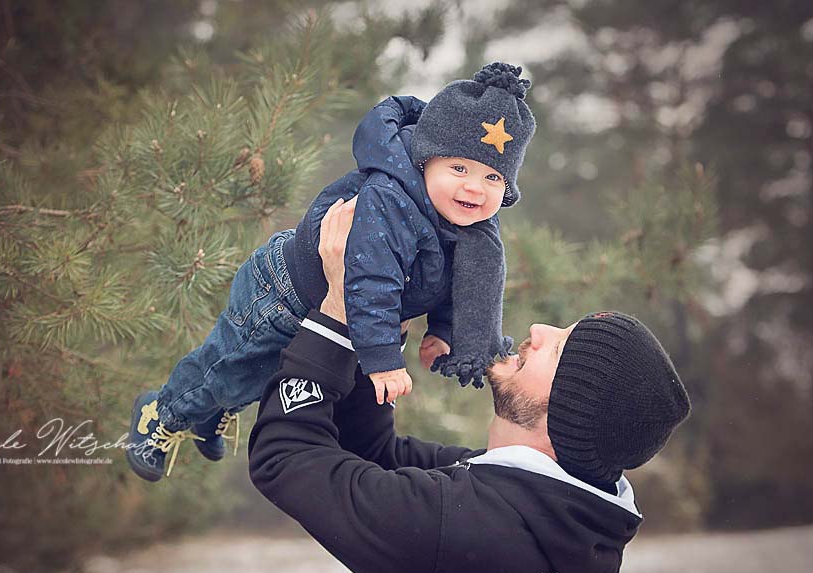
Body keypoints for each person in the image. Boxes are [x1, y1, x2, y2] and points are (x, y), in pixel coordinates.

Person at [247, 199, 692, 573]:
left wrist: (340, 308)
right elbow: (375, 456)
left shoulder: (465, 530)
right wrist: (385, 325)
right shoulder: (559, 514)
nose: (538, 330)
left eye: (559, 350)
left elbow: (284, 457)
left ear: (570, 414)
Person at [127, 61, 538, 481]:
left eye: (492, 177)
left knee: (259, 377)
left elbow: (455, 283)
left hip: (323, 306)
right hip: (282, 292)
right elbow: (371, 280)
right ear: (426, 159)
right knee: (231, 366)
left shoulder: (469, 228)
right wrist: (381, 360)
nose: (474, 187)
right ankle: (161, 414)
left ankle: (213, 412)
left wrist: (443, 331)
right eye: (459, 169)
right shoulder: (390, 200)